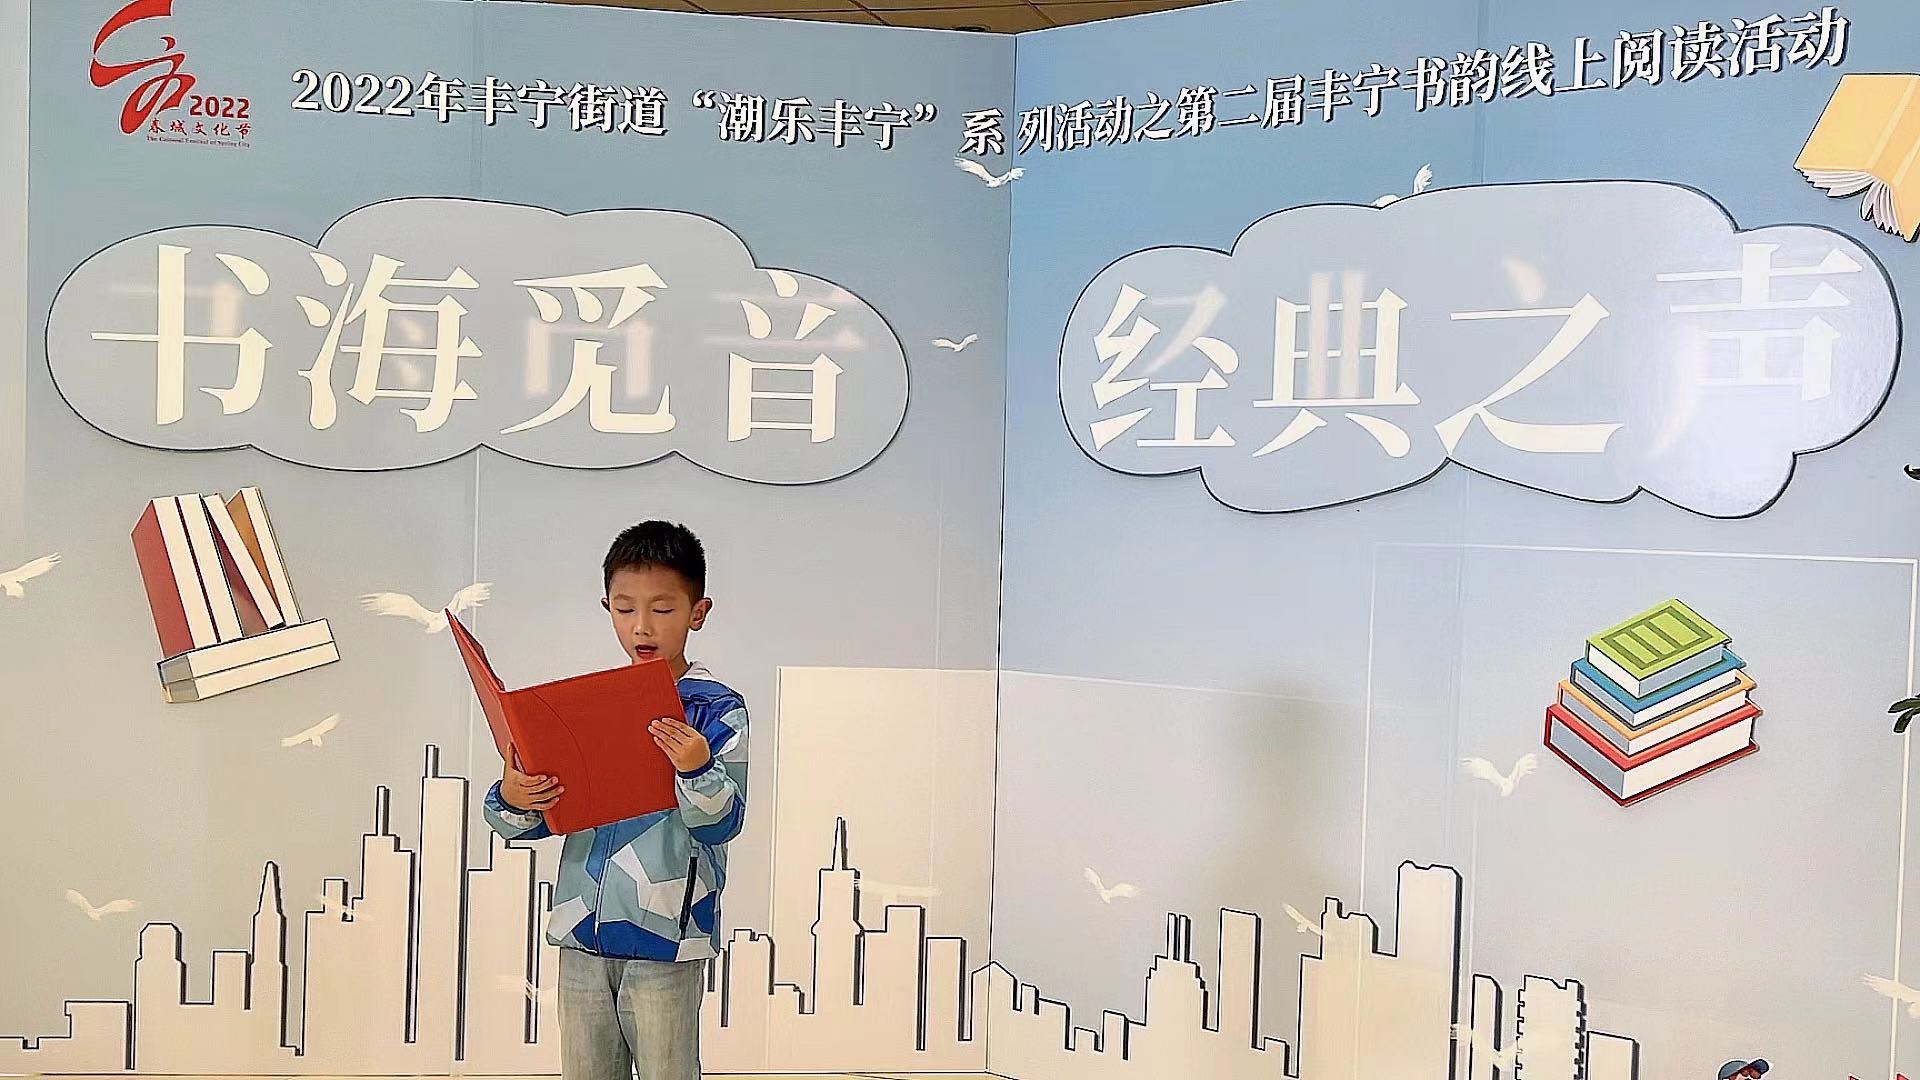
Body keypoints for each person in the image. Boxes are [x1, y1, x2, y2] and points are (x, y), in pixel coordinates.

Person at [483, 521, 748, 1080]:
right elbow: (535, 822)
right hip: (582, 933)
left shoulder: (715, 709)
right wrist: (512, 797)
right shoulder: (587, 705)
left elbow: (722, 823)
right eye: (625, 609)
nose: (642, 625)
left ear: (698, 612)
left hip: (667, 939)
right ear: (607, 608)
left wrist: (697, 768)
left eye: (662, 608)